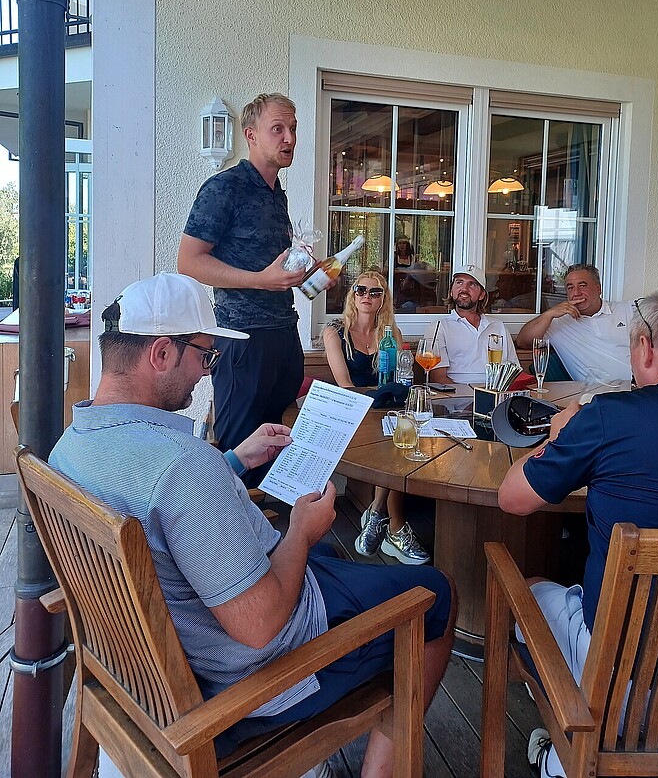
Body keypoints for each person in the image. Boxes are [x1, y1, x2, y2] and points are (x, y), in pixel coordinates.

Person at [49, 273, 456, 778]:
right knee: (435, 593)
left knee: (330, 558)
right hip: (249, 682)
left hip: (146, 666)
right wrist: (302, 530)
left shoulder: (71, 448)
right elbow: (261, 627)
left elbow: (161, 498)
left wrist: (235, 461)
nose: (207, 372)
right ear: (161, 354)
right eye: (205, 356)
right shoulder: (182, 465)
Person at [499, 289, 658, 777]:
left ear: (645, 348)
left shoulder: (609, 416)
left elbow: (512, 499)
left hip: (623, 682)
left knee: (530, 588)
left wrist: (560, 437)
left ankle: (563, 757)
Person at [178, 93, 306, 482]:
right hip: (243, 341)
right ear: (251, 135)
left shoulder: (277, 194)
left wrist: (308, 274)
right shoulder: (223, 188)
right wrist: (261, 280)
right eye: (278, 129)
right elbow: (189, 261)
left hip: (284, 334)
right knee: (240, 458)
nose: (289, 138)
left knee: (279, 450)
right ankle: (233, 524)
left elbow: (271, 267)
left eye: (293, 129)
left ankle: (275, 524)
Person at [323, 271, 430, 565]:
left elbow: (398, 379)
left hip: (384, 410)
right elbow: (345, 385)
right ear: (352, 295)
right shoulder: (335, 332)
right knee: (394, 444)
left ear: (384, 299)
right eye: (361, 290)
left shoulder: (391, 333)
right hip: (354, 412)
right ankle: (395, 527)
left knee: (401, 439)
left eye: (375, 292)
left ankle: (377, 512)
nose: (367, 296)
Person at [515, 263, 632, 382]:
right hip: (597, 391)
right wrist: (549, 314)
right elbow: (522, 341)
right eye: (570, 287)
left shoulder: (628, 309)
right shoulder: (558, 322)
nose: (576, 293)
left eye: (582, 285)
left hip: (637, 386)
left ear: (598, 289)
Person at [427, 264, 519, 385]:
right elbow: (438, 378)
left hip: (496, 392)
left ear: (482, 295)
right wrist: (471, 394)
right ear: (451, 292)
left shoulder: (498, 326)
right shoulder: (439, 327)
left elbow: (514, 371)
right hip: (457, 393)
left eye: (472, 284)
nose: (464, 288)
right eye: (459, 282)